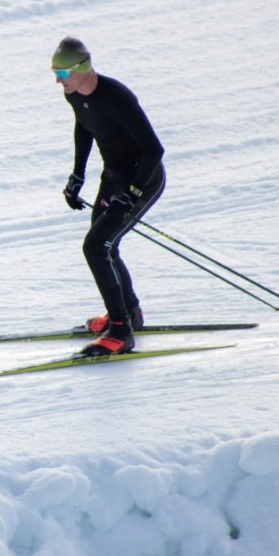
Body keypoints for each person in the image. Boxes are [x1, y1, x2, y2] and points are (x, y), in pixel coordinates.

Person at [52, 36, 166, 356]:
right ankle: (129, 314)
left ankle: (120, 331)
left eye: (62, 74)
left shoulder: (117, 97)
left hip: (144, 178)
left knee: (95, 246)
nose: (57, 80)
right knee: (104, 245)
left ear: (82, 68)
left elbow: (154, 150)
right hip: (113, 176)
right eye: (55, 73)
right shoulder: (74, 94)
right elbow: (85, 126)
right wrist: (78, 175)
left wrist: (130, 194)